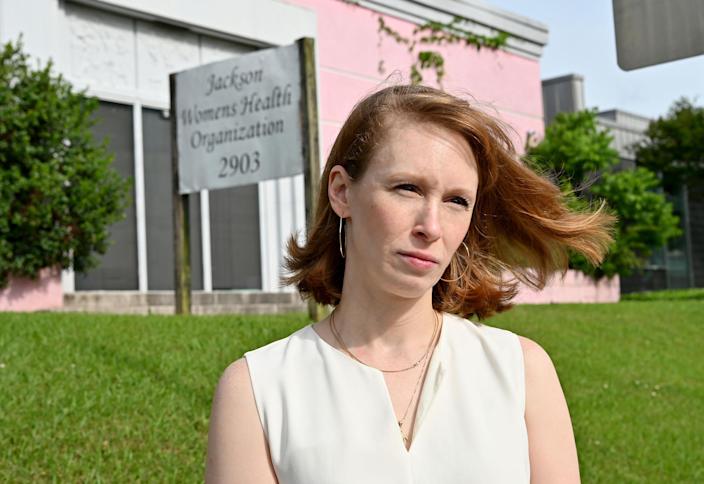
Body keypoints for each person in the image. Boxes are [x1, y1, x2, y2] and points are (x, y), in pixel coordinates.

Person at [205, 84, 614, 483]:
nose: (432, 227)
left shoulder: (522, 371)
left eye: (457, 201)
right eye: (408, 188)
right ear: (342, 192)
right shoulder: (258, 389)